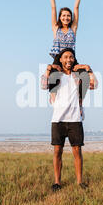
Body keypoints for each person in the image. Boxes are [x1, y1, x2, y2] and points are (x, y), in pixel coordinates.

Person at [41, 48, 97, 192]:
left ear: (74, 59)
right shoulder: (56, 76)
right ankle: (57, 182)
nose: (69, 60)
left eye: (71, 57)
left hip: (75, 119)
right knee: (57, 151)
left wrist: (88, 69)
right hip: (58, 119)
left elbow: (94, 85)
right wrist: (49, 69)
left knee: (77, 151)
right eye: (65, 57)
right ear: (60, 59)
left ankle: (79, 182)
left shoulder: (78, 76)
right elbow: (43, 85)